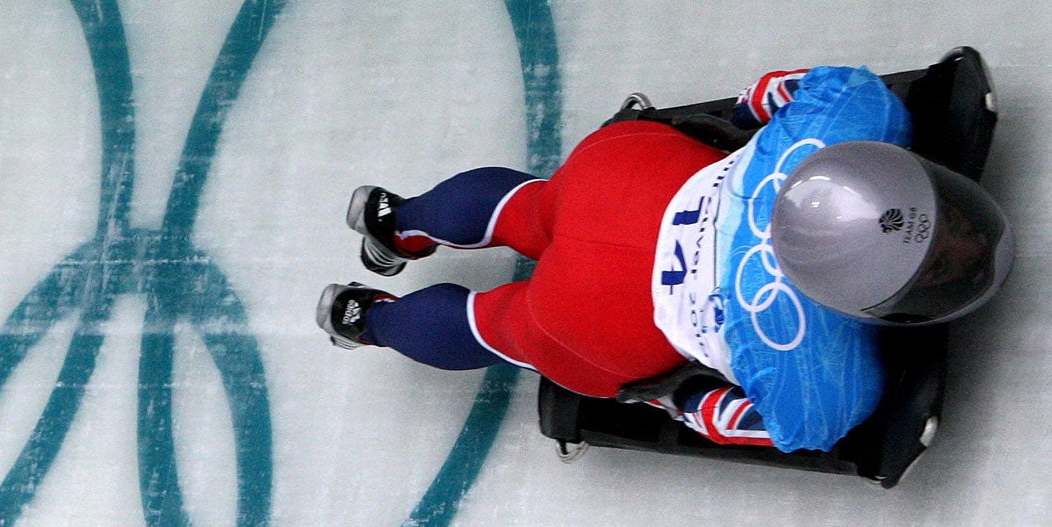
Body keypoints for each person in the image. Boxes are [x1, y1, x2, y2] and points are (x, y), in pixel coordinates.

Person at [316, 64, 1013, 453]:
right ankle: (370, 321)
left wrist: (737, 128)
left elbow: (766, 95)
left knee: (537, 206)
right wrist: (676, 396)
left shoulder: (859, 114)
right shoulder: (825, 380)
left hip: (625, 179)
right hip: (604, 313)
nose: (959, 243)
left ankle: (400, 220)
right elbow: (724, 416)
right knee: (509, 326)